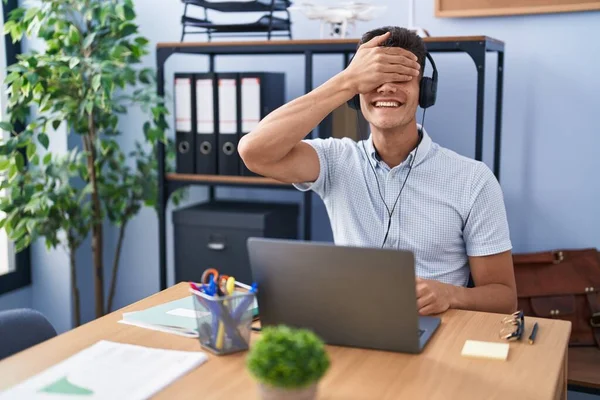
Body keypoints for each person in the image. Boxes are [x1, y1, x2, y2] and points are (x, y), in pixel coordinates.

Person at [238, 26, 517, 316]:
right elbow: (253, 152)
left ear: (424, 91)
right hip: (356, 322)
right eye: (374, 79)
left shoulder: (473, 180)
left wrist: (450, 294)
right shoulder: (336, 160)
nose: (386, 88)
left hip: (437, 330)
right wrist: (346, 80)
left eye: (401, 78)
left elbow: (504, 298)